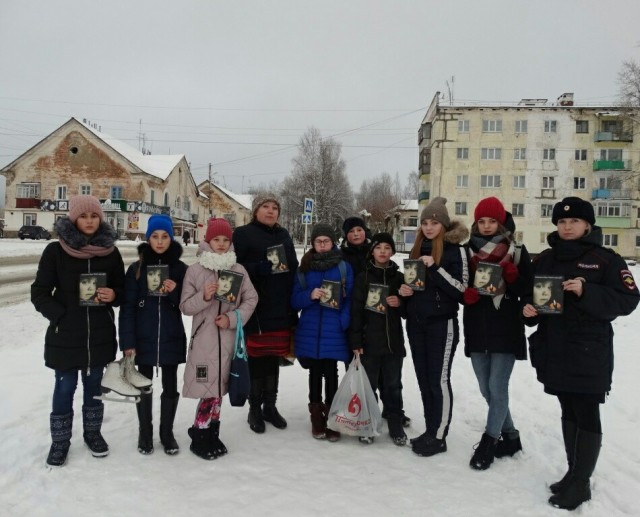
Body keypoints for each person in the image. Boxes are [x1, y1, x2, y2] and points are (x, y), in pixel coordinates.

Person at [522, 197, 639, 510]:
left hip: (588, 350)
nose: (567, 226)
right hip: (554, 348)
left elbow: (628, 300)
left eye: (573, 222)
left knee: (586, 411)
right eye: (561, 222)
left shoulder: (605, 259)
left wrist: (587, 291)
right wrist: (529, 311)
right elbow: (533, 299)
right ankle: (573, 474)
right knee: (568, 409)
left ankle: (581, 483)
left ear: (588, 225)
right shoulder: (545, 259)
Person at [31, 195, 125, 467]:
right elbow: (39, 293)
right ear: (74, 218)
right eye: (83, 216)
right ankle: (60, 442)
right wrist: (61, 316)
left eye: (94, 216)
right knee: (64, 388)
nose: (89, 221)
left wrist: (113, 294)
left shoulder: (111, 252)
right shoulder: (55, 251)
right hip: (65, 336)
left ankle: (93, 434)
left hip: (99, 335)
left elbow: (122, 291)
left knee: (94, 387)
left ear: (100, 219)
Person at [462, 197, 532, 470]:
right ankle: (512, 437)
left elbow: (530, 291)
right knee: (484, 387)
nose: (488, 226)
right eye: (482, 221)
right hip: (477, 325)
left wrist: (514, 279)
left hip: (505, 325)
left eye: (493, 221)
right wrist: (464, 295)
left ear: (501, 222)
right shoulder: (466, 251)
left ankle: (490, 441)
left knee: (497, 386)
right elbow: (460, 285)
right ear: (476, 223)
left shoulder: (516, 250)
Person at [180, 218, 258, 459]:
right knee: (207, 390)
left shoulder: (238, 270)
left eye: (226, 240)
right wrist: (204, 296)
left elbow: (251, 299)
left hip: (227, 341)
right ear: (207, 241)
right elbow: (185, 306)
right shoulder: (194, 270)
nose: (222, 244)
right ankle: (199, 434)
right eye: (217, 239)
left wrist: (233, 318)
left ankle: (212, 432)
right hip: (203, 342)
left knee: (218, 389)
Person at [398, 197, 469, 457]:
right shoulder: (416, 250)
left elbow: (462, 291)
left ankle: (439, 437)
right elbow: (415, 287)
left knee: (438, 380)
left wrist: (436, 268)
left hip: (442, 324)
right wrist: (405, 292)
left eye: (434, 222)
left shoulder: (456, 250)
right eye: (424, 223)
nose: (428, 227)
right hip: (417, 324)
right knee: (424, 379)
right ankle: (430, 430)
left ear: (444, 224)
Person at [119, 214, 188, 455]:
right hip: (143, 338)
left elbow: (189, 306)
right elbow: (127, 307)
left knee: (170, 387)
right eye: (155, 236)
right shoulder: (137, 269)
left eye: (165, 236)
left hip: (170, 337)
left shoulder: (180, 269)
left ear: (171, 238)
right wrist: (127, 342)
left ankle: (166, 433)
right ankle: (145, 432)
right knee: (144, 386)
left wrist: (174, 291)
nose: (160, 241)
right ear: (148, 239)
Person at [232, 194, 299, 433]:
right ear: (256, 211)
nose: (271, 211)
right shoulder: (243, 234)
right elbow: (232, 265)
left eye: (275, 208)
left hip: (281, 306)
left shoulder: (283, 235)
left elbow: (293, 266)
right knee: (257, 359)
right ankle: (254, 409)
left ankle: (270, 406)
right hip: (256, 307)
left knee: (273, 359)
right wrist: (257, 268)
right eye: (265, 207)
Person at [292, 223, 354, 441]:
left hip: (333, 327)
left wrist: (343, 321)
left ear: (333, 242)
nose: (322, 244)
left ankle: (332, 415)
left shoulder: (343, 267)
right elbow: (294, 300)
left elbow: (350, 298)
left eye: (326, 241)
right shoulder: (304, 268)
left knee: (332, 372)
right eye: (318, 241)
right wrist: (310, 295)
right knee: (315, 372)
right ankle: (316, 415)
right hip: (310, 327)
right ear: (313, 243)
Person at [350, 233, 407, 446]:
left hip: (393, 342)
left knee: (393, 385)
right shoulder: (363, 277)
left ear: (392, 251)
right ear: (371, 251)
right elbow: (356, 311)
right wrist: (356, 342)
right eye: (378, 247)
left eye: (387, 247)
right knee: (368, 385)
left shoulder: (399, 277)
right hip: (369, 343)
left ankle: (395, 422)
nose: (383, 251)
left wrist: (400, 302)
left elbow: (409, 310)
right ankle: (367, 423)